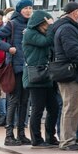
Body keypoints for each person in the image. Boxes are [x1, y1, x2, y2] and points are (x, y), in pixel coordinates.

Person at [51, 2, 78, 151]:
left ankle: (68, 139)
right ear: (75, 12)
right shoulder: (68, 29)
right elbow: (72, 51)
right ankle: (68, 141)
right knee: (71, 109)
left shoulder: (66, 27)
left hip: (71, 74)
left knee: (70, 108)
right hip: (72, 75)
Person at [0, 0, 33, 146]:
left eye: (30, 7)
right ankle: (9, 135)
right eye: (25, 8)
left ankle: (21, 134)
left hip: (29, 68)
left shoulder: (32, 24)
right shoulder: (12, 24)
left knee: (25, 102)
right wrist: (9, 48)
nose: (28, 10)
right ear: (19, 10)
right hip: (15, 68)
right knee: (14, 101)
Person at [22, 10, 58, 147]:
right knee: (37, 109)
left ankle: (50, 136)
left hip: (46, 75)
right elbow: (46, 42)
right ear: (38, 24)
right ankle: (36, 139)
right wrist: (52, 28)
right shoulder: (30, 33)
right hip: (35, 76)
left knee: (53, 108)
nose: (48, 27)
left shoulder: (42, 32)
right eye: (46, 24)